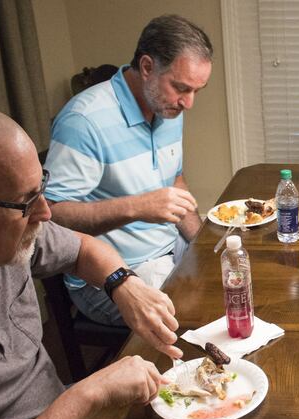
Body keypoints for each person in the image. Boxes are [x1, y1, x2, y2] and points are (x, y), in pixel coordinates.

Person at [0, 105, 184, 419]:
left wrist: (124, 284)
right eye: (25, 202)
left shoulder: (11, 243)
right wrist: (91, 394)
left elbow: (83, 249)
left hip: (63, 411)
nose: (46, 212)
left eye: (41, 189)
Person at [44, 15, 212, 326]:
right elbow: (50, 217)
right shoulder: (84, 122)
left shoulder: (169, 107)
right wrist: (137, 207)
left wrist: (201, 242)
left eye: (196, 91)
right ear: (147, 67)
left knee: (237, 276)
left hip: (168, 250)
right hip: (110, 277)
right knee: (204, 315)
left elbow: (174, 179)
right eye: (181, 88)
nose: (188, 103)